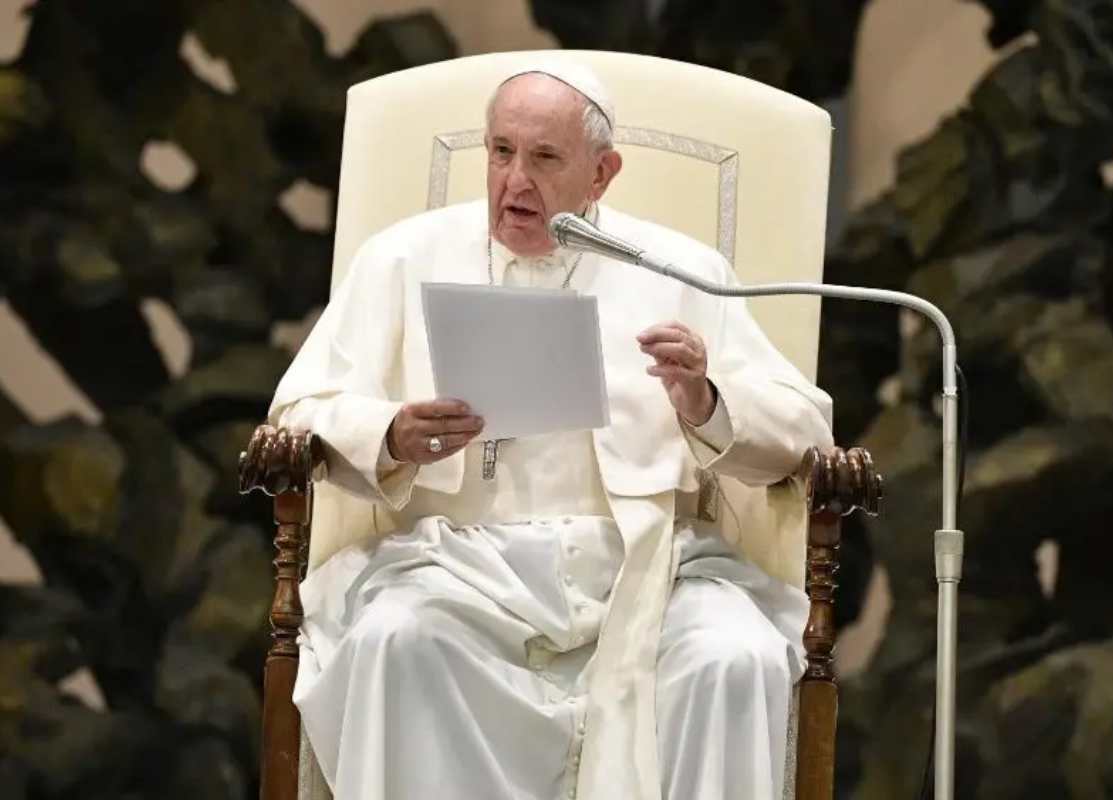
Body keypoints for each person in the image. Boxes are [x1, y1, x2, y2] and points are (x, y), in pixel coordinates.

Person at [269, 59, 833, 800]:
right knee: (394, 643)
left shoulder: (680, 270)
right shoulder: (403, 257)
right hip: (459, 570)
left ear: (602, 173)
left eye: (544, 158)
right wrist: (390, 435)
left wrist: (706, 401)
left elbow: (805, 427)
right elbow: (298, 415)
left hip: (649, 568)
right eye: (501, 152)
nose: (515, 182)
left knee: (733, 659)